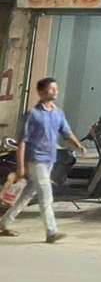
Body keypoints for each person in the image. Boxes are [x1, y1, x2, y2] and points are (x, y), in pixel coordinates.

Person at [0, 78, 86, 243]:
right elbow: (22, 141)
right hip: (35, 160)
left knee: (27, 195)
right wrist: (20, 166)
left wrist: (79, 146)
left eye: (56, 89)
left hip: (49, 161)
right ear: (41, 92)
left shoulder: (58, 113)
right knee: (46, 195)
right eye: (51, 89)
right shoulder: (33, 115)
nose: (55, 92)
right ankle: (51, 231)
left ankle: (4, 223)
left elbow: (66, 133)